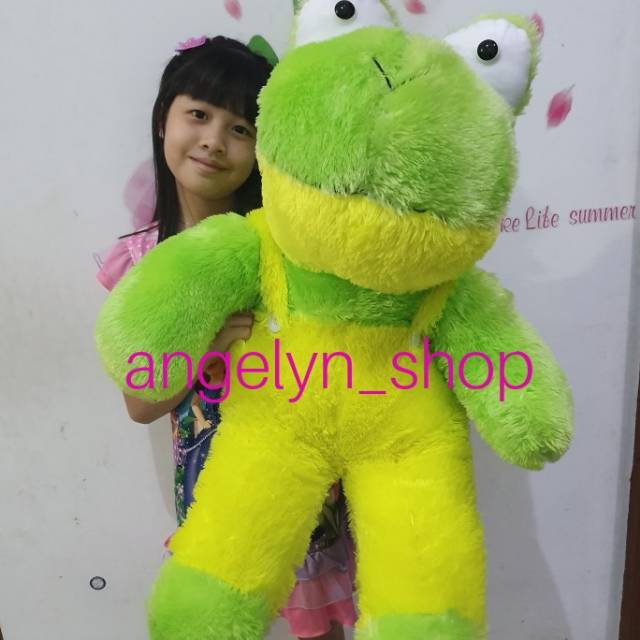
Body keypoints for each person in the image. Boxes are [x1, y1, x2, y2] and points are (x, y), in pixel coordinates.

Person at [96, 35, 356, 640]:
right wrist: (203, 350)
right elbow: (140, 404)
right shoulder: (143, 262)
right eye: (199, 114)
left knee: (317, 629)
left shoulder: (288, 249)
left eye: (241, 129)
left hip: (306, 492)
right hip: (213, 502)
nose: (214, 140)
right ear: (163, 120)